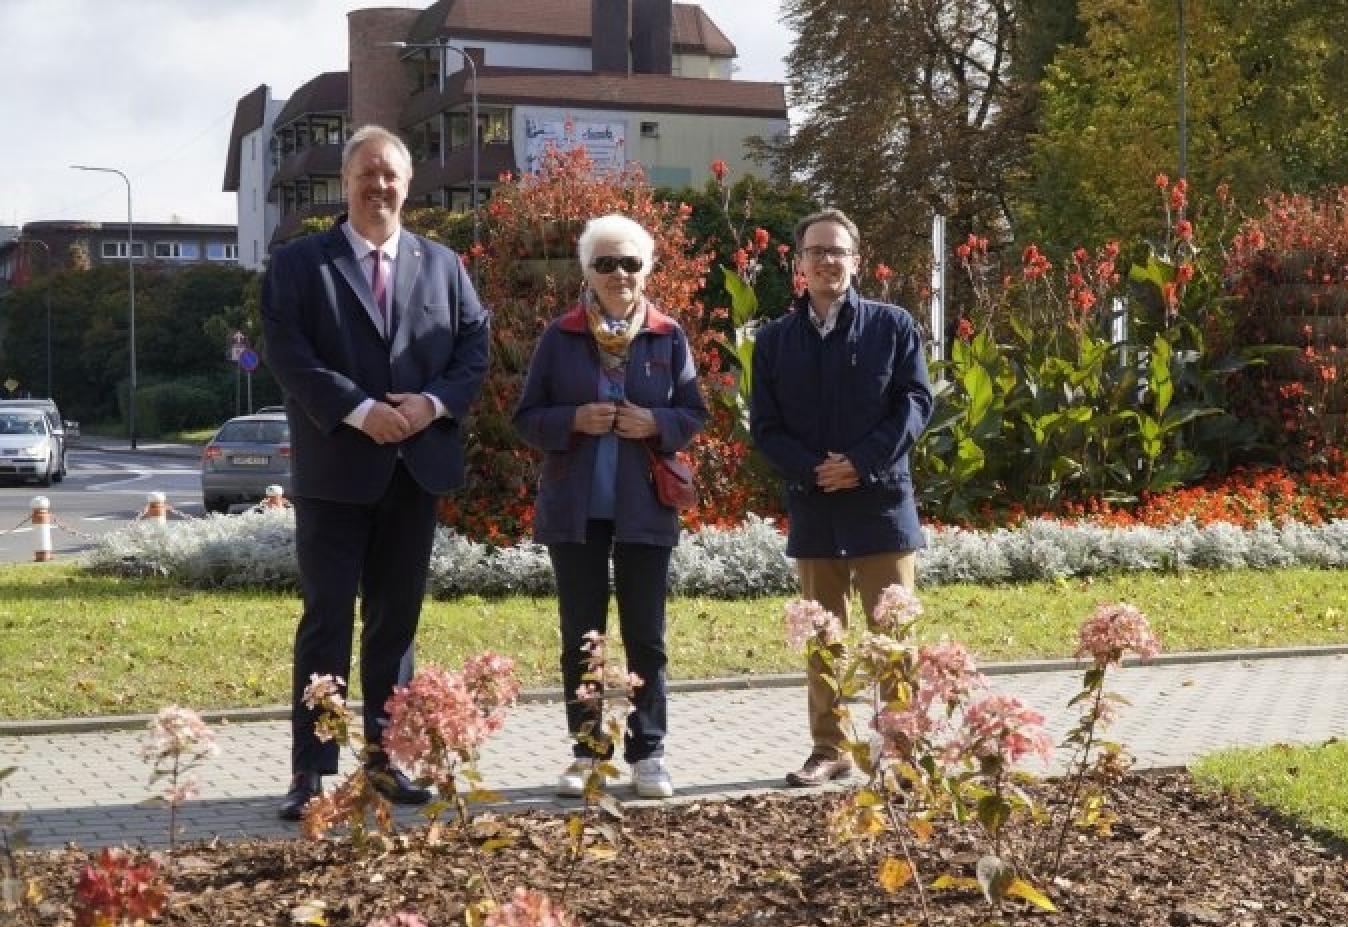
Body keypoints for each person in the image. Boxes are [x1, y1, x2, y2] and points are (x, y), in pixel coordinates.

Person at [261, 124, 490, 821]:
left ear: (408, 184)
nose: (379, 185)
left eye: (391, 174)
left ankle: (388, 765)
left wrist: (431, 404)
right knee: (326, 620)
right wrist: (361, 411)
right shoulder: (301, 264)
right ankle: (312, 772)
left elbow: (473, 347)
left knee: (396, 626)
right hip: (336, 473)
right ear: (346, 180)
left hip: (412, 473)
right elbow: (289, 354)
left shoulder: (443, 265)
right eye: (367, 173)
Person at [512, 213, 707, 800]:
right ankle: (588, 751)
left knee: (647, 638)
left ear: (646, 269)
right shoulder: (560, 335)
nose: (619, 273)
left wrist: (658, 422)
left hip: (645, 508)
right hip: (576, 511)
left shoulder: (668, 335)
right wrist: (572, 420)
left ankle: (648, 752)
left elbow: (694, 413)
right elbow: (525, 418)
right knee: (582, 637)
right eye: (606, 263)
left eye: (630, 262)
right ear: (588, 272)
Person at [749, 208, 933, 787]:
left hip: (881, 503)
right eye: (816, 251)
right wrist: (814, 469)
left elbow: (915, 404)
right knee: (821, 634)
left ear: (856, 259)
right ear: (798, 264)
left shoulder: (893, 326)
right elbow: (767, 426)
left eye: (838, 251)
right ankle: (831, 747)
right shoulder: (776, 341)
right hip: (816, 505)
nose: (828, 261)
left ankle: (900, 749)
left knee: (892, 636)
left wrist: (860, 463)